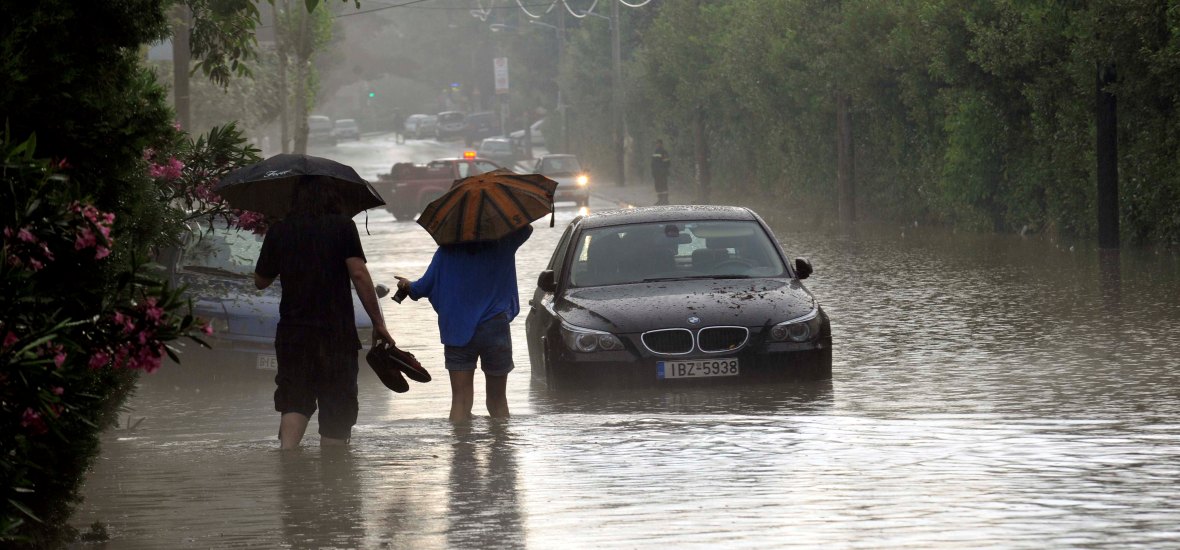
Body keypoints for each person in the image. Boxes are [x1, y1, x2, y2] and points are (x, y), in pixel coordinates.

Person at [253, 181, 394, 450]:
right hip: (335, 334)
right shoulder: (342, 226)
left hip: (294, 334)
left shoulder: (280, 230)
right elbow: (360, 274)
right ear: (333, 197)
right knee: (337, 402)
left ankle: (288, 466)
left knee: (294, 399)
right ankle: (336, 480)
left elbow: (260, 281)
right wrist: (378, 323)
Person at [395, 225, 533, 423]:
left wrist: (406, 284)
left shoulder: (446, 251)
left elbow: (421, 288)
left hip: (457, 330)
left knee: (460, 400)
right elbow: (526, 228)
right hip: (495, 329)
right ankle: (502, 451)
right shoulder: (503, 244)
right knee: (498, 400)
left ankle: (461, 451)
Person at [651, 139, 671, 205]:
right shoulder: (655, 152)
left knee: (664, 186)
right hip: (656, 173)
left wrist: (663, 171)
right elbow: (653, 163)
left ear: (661, 144)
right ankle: (660, 199)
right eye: (656, 143)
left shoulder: (664, 152)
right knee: (658, 186)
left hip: (662, 173)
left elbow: (667, 162)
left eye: (658, 143)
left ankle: (665, 200)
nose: (657, 145)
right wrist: (653, 171)